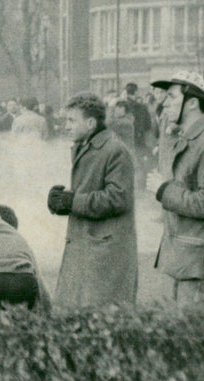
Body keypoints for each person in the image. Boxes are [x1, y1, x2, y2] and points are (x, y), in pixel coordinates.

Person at [147, 72, 204, 303]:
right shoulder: (191, 138)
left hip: (199, 262)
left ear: (193, 103)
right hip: (187, 259)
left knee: (195, 335)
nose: (165, 103)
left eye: (172, 97)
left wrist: (163, 190)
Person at [48, 93, 138, 309]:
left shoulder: (115, 150)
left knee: (100, 316)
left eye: (71, 120)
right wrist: (61, 203)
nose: (65, 126)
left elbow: (118, 198)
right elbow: (90, 191)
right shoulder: (86, 145)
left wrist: (72, 202)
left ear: (90, 123)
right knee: (76, 315)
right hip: (89, 246)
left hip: (104, 253)